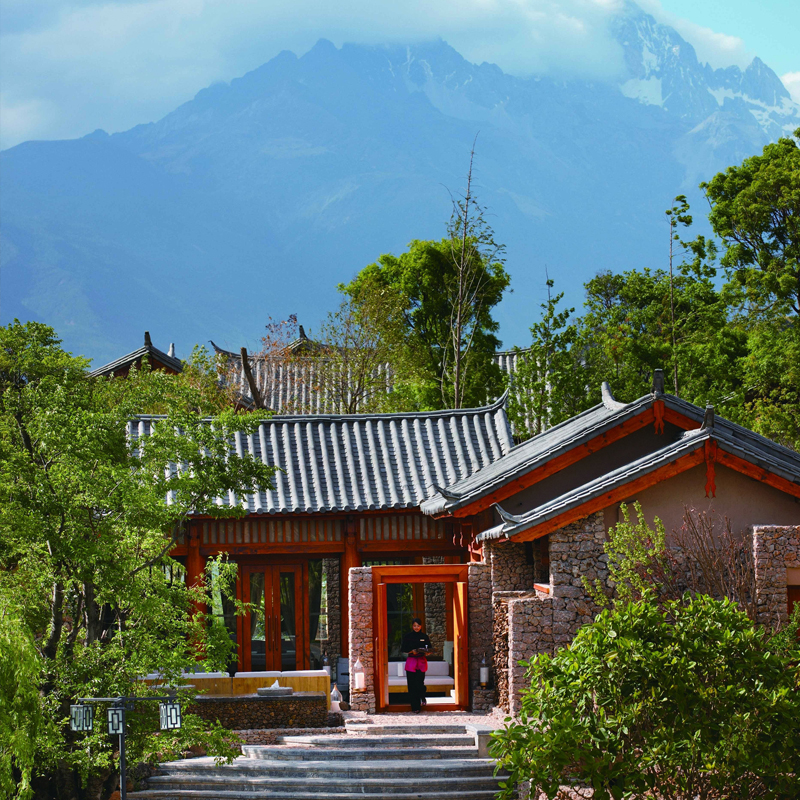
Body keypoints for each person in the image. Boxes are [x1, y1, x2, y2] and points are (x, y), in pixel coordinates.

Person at [401, 618, 432, 713]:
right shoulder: (408, 636)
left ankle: (422, 696)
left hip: (421, 661)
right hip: (411, 661)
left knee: (419, 683)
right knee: (411, 684)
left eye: (418, 626)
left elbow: (429, 648)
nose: (416, 627)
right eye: (414, 626)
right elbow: (403, 649)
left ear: (421, 626)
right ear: (412, 626)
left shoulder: (425, 637)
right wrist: (411, 651)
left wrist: (427, 652)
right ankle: (415, 707)